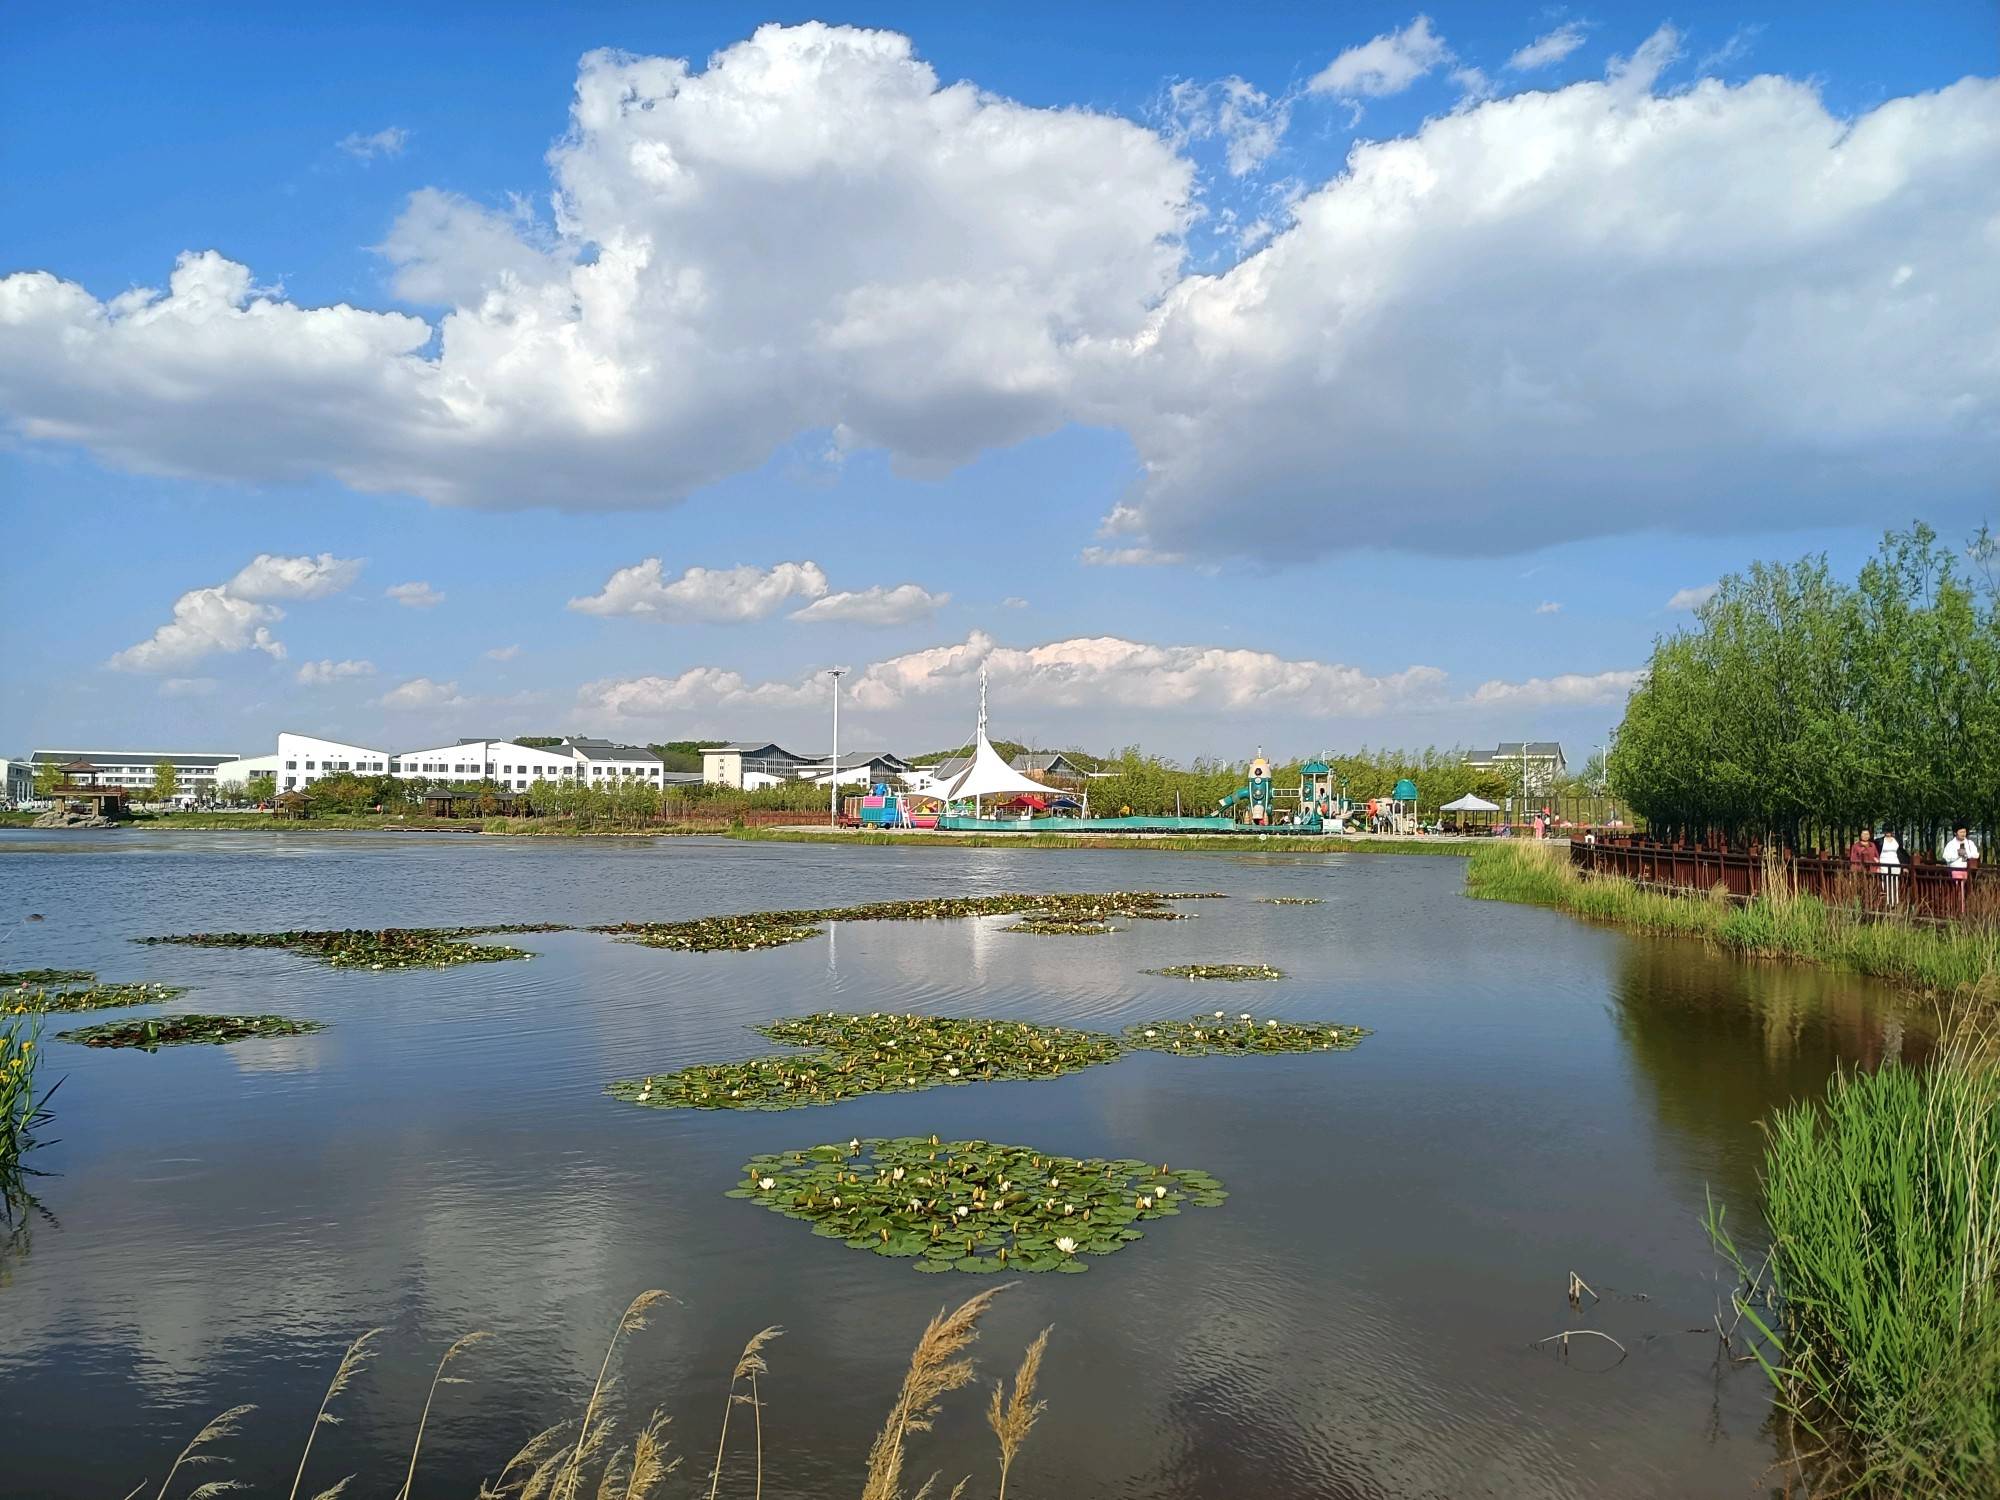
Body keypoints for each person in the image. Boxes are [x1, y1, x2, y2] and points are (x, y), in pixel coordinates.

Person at [1944, 824, 1981, 914]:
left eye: (1964, 832)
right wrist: (1957, 855)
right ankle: (1959, 910)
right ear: (1955, 833)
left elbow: (1976, 854)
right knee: (1958, 890)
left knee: (1968, 890)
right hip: (1956, 870)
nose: (1963, 834)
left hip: (1968, 870)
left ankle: (1967, 909)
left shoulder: (1969, 843)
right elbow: (1946, 857)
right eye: (1961, 832)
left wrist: (1967, 854)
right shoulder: (1951, 844)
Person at [1877, 829, 1902, 908]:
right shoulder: (1879, 841)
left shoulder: (1896, 840)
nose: (1888, 832)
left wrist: (1903, 865)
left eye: (1889, 830)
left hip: (1895, 862)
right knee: (1886, 881)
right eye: (1886, 830)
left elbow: (1900, 852)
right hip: (1884, 862)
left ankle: (1895, 901)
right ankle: (1888, 902)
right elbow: (1876, 852)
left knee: (1895, 881)